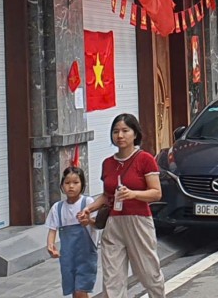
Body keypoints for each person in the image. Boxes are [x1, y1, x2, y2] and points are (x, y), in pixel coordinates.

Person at [78, 113, 166, 298]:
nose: (120, 135)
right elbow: (106, 195)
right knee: (112, 278)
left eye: (125, 131)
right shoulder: (108, 163)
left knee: (148, 272)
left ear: (135, 134)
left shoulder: (145, 159)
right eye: (116, 131)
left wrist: (133, 194)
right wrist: (90, 208)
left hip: (139, 221)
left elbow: (156, 193)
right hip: (113, 224)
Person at [45, 166, 97, 298]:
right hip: (68, 258)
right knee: (74, 290)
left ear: (82, 184)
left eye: (75, 182)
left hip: (85, 256)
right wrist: (50, 245)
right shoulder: (57, 208)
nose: (71, 186)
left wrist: (88, 221)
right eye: (67, 183)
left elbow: (98, 224)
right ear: (62, 185)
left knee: (81, 289)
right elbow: (52, 229)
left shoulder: (88, 203)